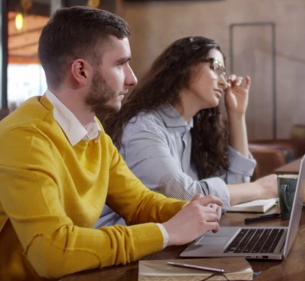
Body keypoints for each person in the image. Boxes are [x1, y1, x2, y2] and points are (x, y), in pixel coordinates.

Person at [0, 6, 223, 280]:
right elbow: (53, 251)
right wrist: (167, 232)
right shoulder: (25, 139)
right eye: (120, 64)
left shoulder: (92, 132)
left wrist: (192, 212)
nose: (132, 78)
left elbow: (139, 203)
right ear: (81, 70)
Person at [96, 36, 277, 227]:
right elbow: (186, 196)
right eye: (216, 67)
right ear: (185, 66)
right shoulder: (142, 128)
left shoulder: (188, 129)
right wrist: (259, 188)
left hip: (168, 240)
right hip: (127, 248)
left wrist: (237, 115)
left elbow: (238, 184)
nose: (224, 82)